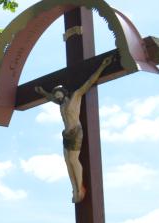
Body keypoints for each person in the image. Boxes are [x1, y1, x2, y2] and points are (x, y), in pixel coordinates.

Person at [36, 56, 113, 203]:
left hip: (76, 131)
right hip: (66, 135)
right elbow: (49, 97)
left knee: (73, 159)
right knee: (67, 161)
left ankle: (80, 187)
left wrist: (102, 66)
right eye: (56, 96)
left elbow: (90, 82)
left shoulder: (76, 96)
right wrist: (42, 92)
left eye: (59, 94)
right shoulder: (61, 104)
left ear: (64, 92)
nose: (57, 97)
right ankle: (74, 188)